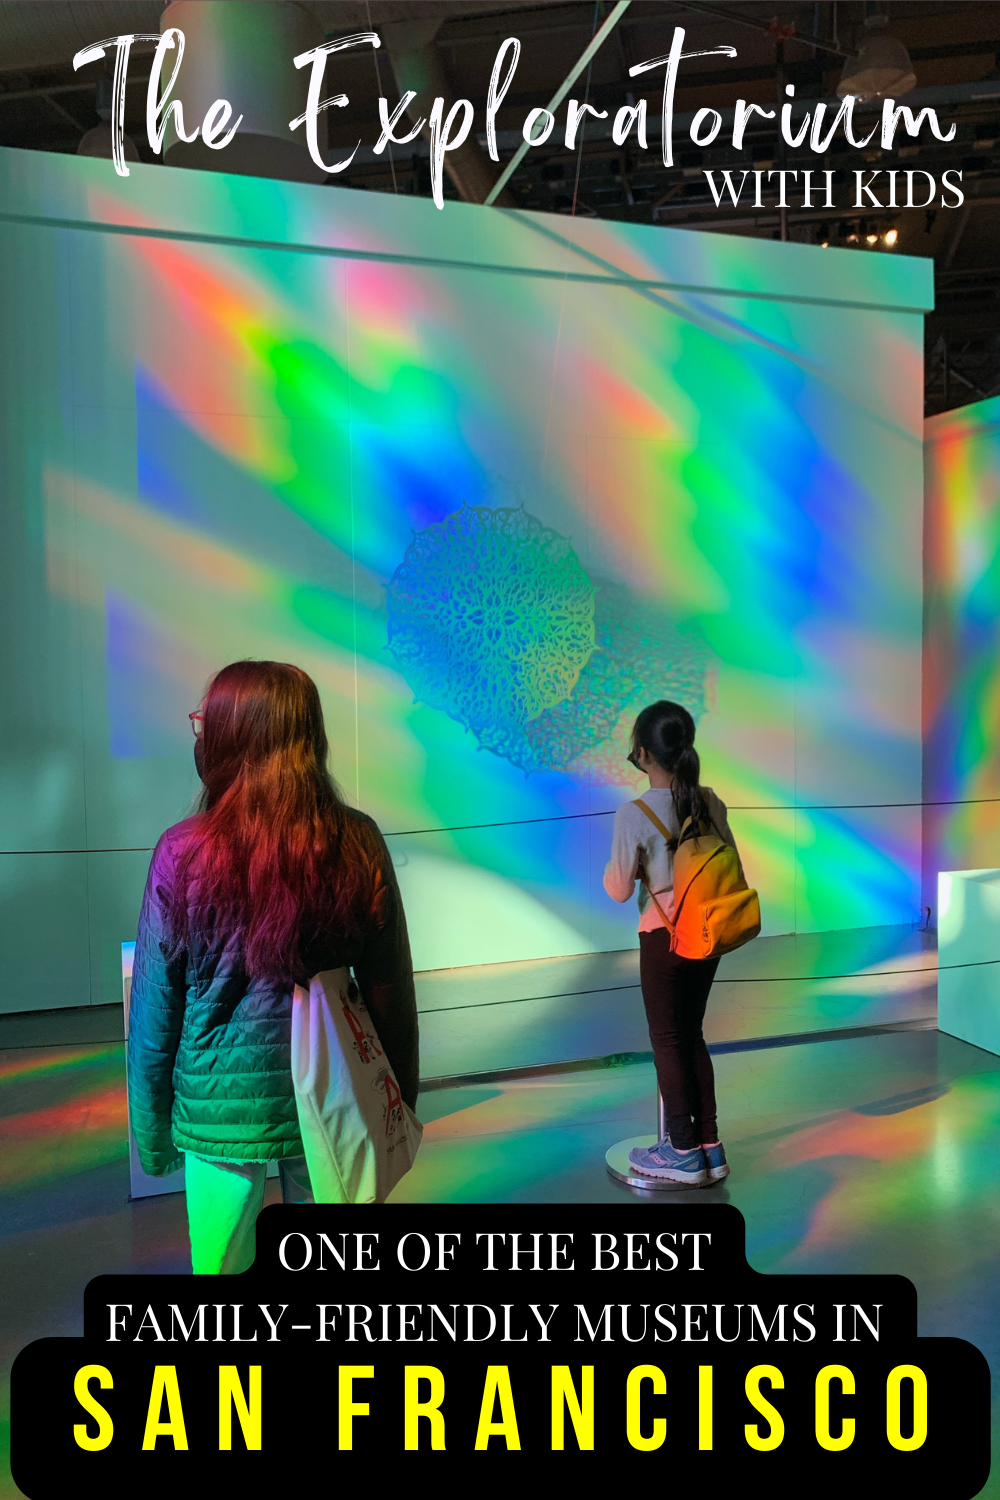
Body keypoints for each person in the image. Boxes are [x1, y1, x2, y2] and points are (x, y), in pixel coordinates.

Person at [127, 660, 418, 1273]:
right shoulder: (356, 840)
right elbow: (391, 988)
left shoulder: (182, 853)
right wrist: (398, 1104)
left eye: (203, 721)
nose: (198, 731)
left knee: (219, 1270)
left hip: (218, 1107)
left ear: (229, 737)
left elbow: (157, 1009)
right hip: (333, 1096)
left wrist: (152, 1134)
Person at [604, 700, 740, 1188]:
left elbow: (619, 889)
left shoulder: (634, 814)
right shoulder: (711, 801)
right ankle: (709, 1145)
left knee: (667, 1039)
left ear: (642, 753)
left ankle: (681, 1150)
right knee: (692, 1034)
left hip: (663, 939)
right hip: (708, 934)